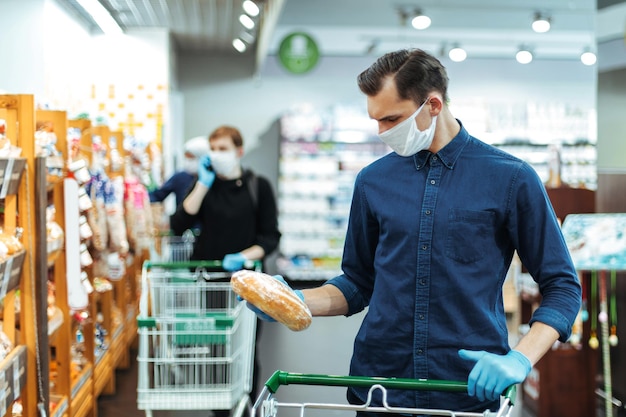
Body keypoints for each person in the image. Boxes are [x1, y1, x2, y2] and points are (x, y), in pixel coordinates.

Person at [245, 49, 582, 414]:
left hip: (465, 390)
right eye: (376, 120)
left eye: (392, 119)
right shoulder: (372, 181)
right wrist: (295, 301)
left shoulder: (511, 178)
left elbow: (562, 286)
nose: (382, 132)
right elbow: (359, 282)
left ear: (433, 104)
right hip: (380, 388)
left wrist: (520, 358)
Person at [169, 125, 281, 409]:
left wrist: (243, 256)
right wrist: (203, 184)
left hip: (249, 282)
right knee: (217, 347)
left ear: (239, 152)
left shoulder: (259, 186)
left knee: (247, 347)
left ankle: (247, 404)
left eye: (224, 149)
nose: (218, 155)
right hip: (212, 280)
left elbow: (270, 237)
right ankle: (219, 408)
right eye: (213, 150)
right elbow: (178, 224)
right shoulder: (204, 185)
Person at [149, 136, 209, 207]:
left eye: (191, 157)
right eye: (186, 157)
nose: (188, 161)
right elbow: (158, 195)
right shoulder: (180, 177)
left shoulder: (211, 180)